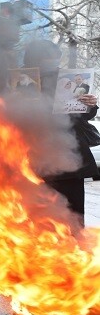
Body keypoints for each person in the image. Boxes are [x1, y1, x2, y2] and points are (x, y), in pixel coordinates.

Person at [24, 40, 98, 226]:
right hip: (34, 157)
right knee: (39, 217)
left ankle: (75, 249)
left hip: (69, 155)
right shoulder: (22, 80)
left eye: (55, 58)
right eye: (47, 57)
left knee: (73, 215)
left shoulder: (67, 79)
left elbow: (84, 116)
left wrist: (90, 104)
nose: (53, 62)